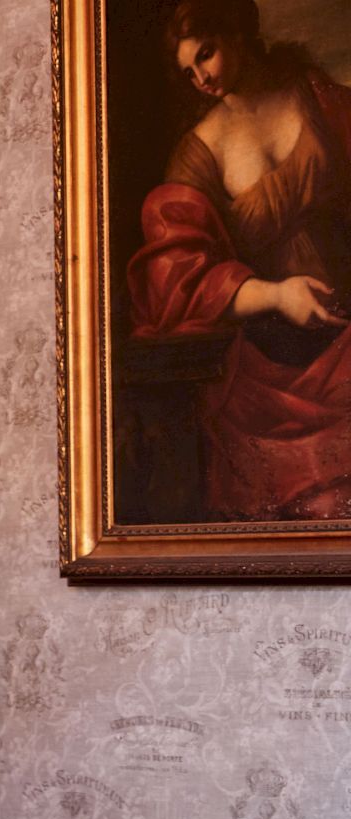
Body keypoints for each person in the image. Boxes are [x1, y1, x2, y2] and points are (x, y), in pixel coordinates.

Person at [126, 0, 351, 519]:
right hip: (269, 367)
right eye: (188, 70)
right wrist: (276, 293)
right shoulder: (199, 151)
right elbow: (177, 272)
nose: (202, 76)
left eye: (206, 54)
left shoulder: (315, 96)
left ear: (236, 32)